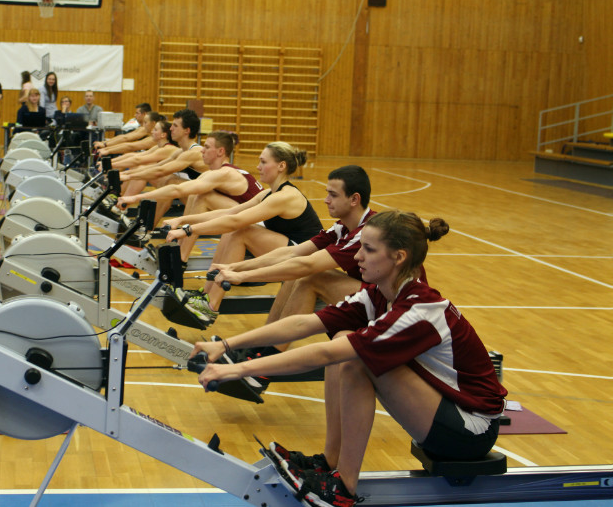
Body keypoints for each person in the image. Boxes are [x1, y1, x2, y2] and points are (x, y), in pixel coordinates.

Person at [192, 210, 507, 507]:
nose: (357, 257)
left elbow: (325, 354)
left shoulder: (420, 309)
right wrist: (226, 345)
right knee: (343, 337)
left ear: (399, 257)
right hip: (443, 413)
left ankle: (344, 488)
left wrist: (238, 369)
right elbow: (304, 324)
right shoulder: (379, 294)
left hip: (471, 430)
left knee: (354, 358)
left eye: (368, 249)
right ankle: (330, 462)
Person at [211, 166, 374, 353]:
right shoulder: (342, 227)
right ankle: (261, 345)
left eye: (333, 195)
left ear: (354, 199)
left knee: (310, 276)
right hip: (370, 295)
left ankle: (267, 358)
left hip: (387, 305)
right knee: (296, 274)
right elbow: (294, 253)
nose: (326, 200)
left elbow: (308, 264)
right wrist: (236, 267)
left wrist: (244, 276)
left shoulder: (367, 230)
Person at [165, 142, 322, 325]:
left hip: (306, 258)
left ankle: (210, 306)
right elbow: (229, 213)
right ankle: (205, 295)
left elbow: (236, 221)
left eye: (263, 162)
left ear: (281, 166)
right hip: (290, 251)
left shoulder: (286, 196)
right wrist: (182, 221)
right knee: (234, 230)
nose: (258, 167)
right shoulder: (267, 194)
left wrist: (188, 231)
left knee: (241, 231)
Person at [118, 131, 262, 260]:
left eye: (207, 147)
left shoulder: (224, 173)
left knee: (202, 196)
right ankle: (178, 248)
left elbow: (177, 190)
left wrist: (135, 198)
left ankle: (180, 257)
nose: (202, 151)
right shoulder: (215, 172)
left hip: (259, 228)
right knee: (195, 193)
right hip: (245, 219)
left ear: (220, 151)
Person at [117, 109, 208, 223]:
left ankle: (145, 225)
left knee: (170, 180)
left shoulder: (193, 152)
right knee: (161, 178)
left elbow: (160, 170)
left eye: (175, 126)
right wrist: (124, 173)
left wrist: (128, 176)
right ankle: (145, 223)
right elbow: (155, 167)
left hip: (208, 201)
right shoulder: (180, 151)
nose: (171, 129)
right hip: (195, 195)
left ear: (187, 130)